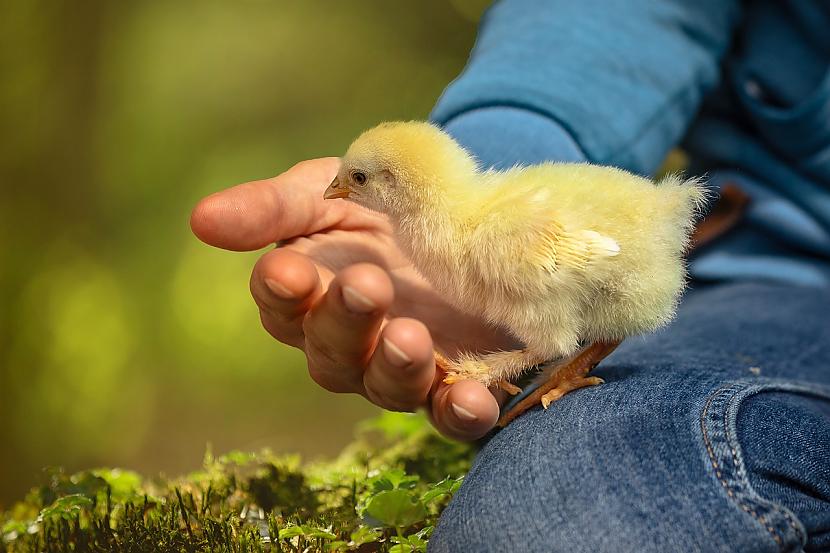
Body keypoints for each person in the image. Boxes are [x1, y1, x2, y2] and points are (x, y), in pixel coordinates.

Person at [190, 0, 830, 550]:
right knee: (551, 514)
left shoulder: (483, 231)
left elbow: (593, 249)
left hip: (631, 255)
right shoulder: (458, 221)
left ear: (402, 186)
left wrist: (498, 364)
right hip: (777, 271)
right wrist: (510, 134)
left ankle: (537, 366)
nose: (342, 189)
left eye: (358, 181)